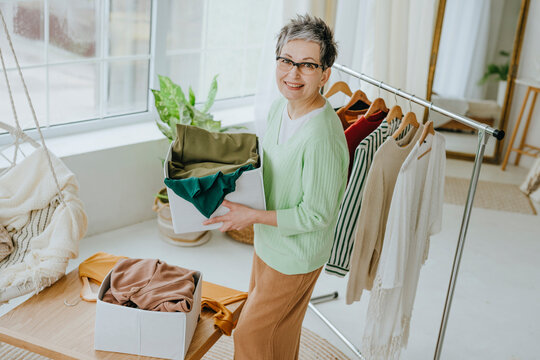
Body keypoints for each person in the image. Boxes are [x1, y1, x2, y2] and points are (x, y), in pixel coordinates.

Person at [203, 14, 348, 360]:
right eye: (286, 60)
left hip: (296, 255)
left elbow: (317, 215)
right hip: (270, 243)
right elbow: (274, 170)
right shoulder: (280, 108)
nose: (292, 73)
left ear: (325, 74)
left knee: (251, 334)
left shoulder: (322, 137)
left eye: (307, 65)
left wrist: (251, 216)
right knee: (278, 334)